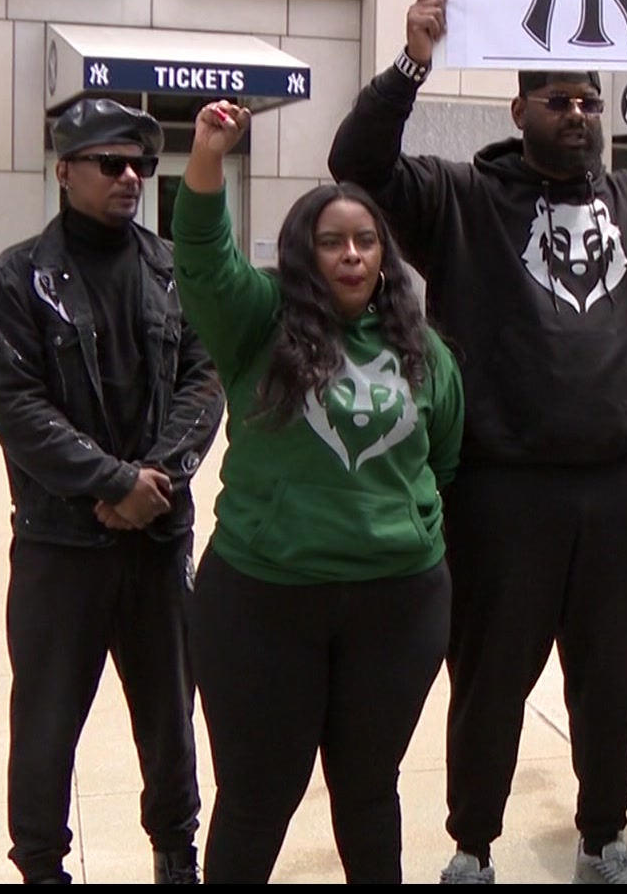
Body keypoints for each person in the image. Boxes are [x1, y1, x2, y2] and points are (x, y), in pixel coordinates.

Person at [328, 0, 627, 885]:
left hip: (621, 488)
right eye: (558, 100)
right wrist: (414, 59)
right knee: (492, 682)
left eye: (589, 101)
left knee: (610, 681)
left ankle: (603, 837)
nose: (577, 115)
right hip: (503, 491)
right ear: (519, 110)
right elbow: (358, 163)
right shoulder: (462, 198)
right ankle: (472, 846)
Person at [171, 100, 464, 883]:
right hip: (262, 605)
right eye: (331, 241)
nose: (351, 255)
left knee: (369, 795)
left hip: (396, 608)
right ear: (304, 251)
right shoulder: (255, 321)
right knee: (260, 797)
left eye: (366, 241)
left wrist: (388, 524)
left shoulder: (424, 351)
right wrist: (206, 156)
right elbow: (201, 257)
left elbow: (442, 463)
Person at [0, 98, 221, 885]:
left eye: (142, 166)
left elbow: (203, 379)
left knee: (169, 723)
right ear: (64, 171)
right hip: (60, 546)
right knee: (46, 724)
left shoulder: (172, 268)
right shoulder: (19, 278)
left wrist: (159, 479)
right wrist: (114, 482)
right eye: (111, 164)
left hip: (155, 545)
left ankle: (174, 856)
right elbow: (16, 406)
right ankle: (43, 867)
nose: (130, 177)